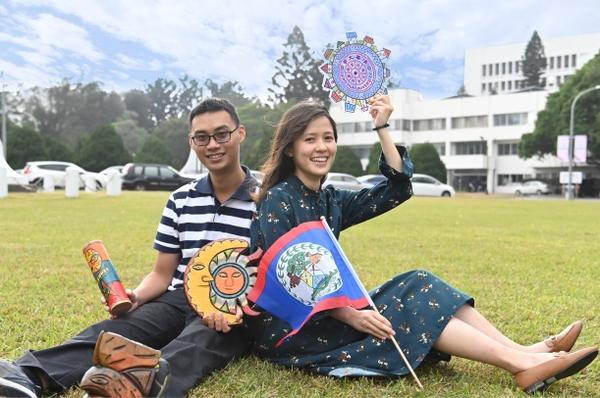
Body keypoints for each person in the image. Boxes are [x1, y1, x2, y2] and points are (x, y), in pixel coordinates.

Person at [243, 96, 598, 394]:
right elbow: (286, 280)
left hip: (333, 308)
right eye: (310, 140)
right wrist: (352, 315)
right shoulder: (279, 200)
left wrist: (381, 127)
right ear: (290, 147)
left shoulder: (330, 198)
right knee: (411, 307)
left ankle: (522, 351)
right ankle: (520, 364)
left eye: (328, 138)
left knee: (419, 280)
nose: (322, 147)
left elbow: (395, 190)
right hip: (295, 328)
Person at [0, 98, 257, 398]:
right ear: (191, 142)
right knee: (117, 331)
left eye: (221, 134)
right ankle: (30, 374)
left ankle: (137, 385)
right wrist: (136, 297)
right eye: (202, 137)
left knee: (199, 341)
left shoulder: (264, 201)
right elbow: (161, 274)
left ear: (240, 133)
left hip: (230, 309)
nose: (212, 144)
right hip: (177, 298)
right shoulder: (181, 199)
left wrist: (232, 310)